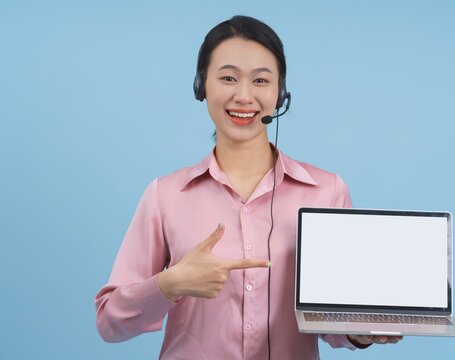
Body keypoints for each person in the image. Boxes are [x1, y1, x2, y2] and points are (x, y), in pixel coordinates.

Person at [95, 15, 402, 359]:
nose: (244, 96)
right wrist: (170, 284)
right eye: (228, 78)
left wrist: (363, 333)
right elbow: (110, 323)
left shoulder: (327, 190)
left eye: (260, 80)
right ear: (202, 86)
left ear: (280, 93)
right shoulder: (164, 196)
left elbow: (331, 319)